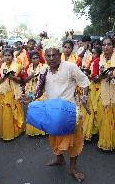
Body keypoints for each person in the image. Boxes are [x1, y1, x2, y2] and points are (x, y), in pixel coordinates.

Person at [31, 39, 90, 182]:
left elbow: (84, 81)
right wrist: (30, 97)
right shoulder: (45, 71)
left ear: (59, 55)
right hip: (52, 112)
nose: (51, 58)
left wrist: (85, 96)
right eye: (48, 56)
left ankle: (73, 168)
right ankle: (59, 159)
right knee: (54, 139)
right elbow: (39, 91)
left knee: (74, 142)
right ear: (45, 57)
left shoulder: (70, 67)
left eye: (54, 55)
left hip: (70, 113)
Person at [0, 49, 24, 141]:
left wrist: (12, 77)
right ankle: (8, 133)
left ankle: (18, 130)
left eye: (9, 55)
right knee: (7, 112)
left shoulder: (18, 66)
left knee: (16, 110)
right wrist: (4, 77)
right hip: (4, 93)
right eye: (5, 55)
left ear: (12, 56)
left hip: (14, 92)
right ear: (3, 57)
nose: (7, 57)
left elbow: (21, 81)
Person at [23, 50, 47, 136]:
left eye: (37, 58)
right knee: (33, 110)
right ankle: (34, 130)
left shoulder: (44, 67)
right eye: (33, 58)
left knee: (41, 109)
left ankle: (42, 130)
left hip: (42, 91)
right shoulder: (28, 68)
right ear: (30, 59)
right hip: (30, 90)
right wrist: (31, 76)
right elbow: (24, 80)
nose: (36, 59)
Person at [83, 46, 102, 140]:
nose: (92, 55)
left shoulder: (97, 61)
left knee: (92, 106)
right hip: (92, 85)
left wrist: (89, 76)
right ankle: (93, 130)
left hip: (95, 86)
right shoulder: (93, 61)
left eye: (94, 53)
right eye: (92, 53)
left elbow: (95, 76)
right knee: (92, 106)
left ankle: (93, 130)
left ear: (98, 54)